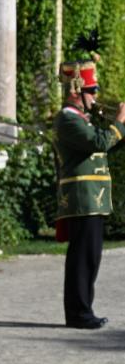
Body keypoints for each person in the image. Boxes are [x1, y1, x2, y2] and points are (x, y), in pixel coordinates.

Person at [55, 32, 125, 330]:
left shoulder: (81, 117)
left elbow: (105, 141)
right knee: (83, 258)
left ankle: (84, 309)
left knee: (91, 256)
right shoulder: (68, 118)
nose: (95, 96)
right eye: (91, 90)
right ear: (76, 90)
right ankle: (79, 312)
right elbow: (99, 142)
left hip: (92, 198)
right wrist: (120, 123)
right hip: (82, 198)